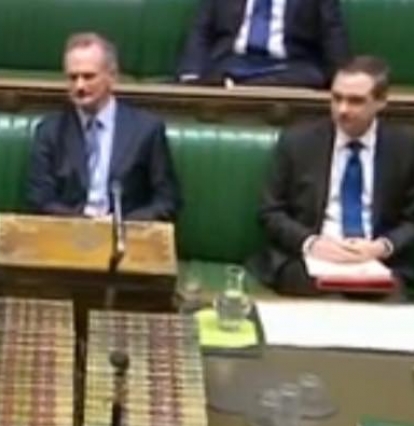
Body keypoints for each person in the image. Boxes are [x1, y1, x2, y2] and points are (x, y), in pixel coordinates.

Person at [249, 56, 414, 296]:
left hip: (380, 262)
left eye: (356, 101)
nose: (342, 109)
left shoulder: (405, 148)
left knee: (388, 311)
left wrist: (382, 247)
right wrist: (312, 243)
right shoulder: (298, 142)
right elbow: (270, 212)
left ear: (381, 102)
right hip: (309, 261)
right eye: (337, 98)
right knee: (325, 305)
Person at [27, 32, 181, 222]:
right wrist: (86, 223)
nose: (80, 86)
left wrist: (119, 223)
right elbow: (39, 200)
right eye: (72, 77)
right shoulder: (49, 131)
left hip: (128, 238)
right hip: (68, 238)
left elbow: (167, 201)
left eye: (89, 76)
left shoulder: (146, 130)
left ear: (112, 77)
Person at [176, 0, 350, 89]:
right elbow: (201, 30)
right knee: (212, 77)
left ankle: (237, 87)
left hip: (290, 68)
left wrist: (342, 81)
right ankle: (238, 86)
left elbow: (332, 33)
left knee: (310, 77)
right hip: (231, 64)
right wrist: (191, 75)